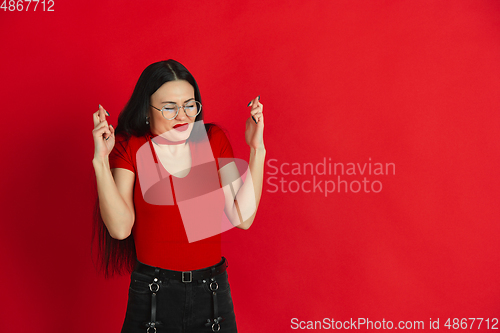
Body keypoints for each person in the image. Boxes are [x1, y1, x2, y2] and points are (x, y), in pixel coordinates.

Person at [91, 59, 266, 332]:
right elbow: (120, 229)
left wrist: (257, 150)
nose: (183, 116)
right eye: (170, 107)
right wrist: (100, 161)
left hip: (212, 295)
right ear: (147, 110)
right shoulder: (130, 145)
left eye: (189, 105)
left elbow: (241, 218)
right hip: (152, 294)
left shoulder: (213, 138)